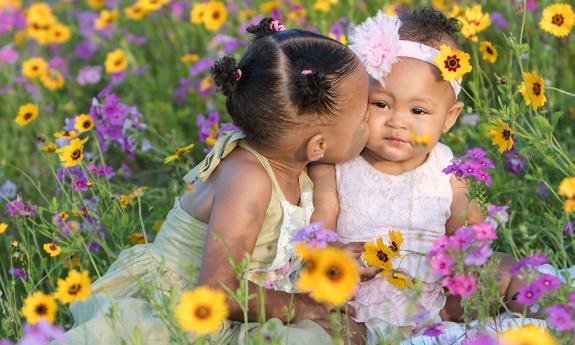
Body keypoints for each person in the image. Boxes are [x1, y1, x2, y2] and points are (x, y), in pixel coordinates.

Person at [59, 17, 371, 345]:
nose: (372, 121)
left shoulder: (296, 162)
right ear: (318, 145)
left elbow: (287, 241)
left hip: (246, 301)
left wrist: (327, 259)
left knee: (348, 333)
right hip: (189, 307)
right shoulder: (249, 178)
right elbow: (220, 290)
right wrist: (302, 307)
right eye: (364, 115)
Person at [309, 9, 525, 343]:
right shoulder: (338, 163)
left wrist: (470, 261)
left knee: (511, 270)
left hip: (437, 307)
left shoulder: (449, 172)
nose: (398, 121)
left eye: (418, 111)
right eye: (381, 104)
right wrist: (333, 255)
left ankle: (543, 326)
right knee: (323, 329)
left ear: (449, 118)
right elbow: (317, 230)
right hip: (357, 310)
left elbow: (470, 239)